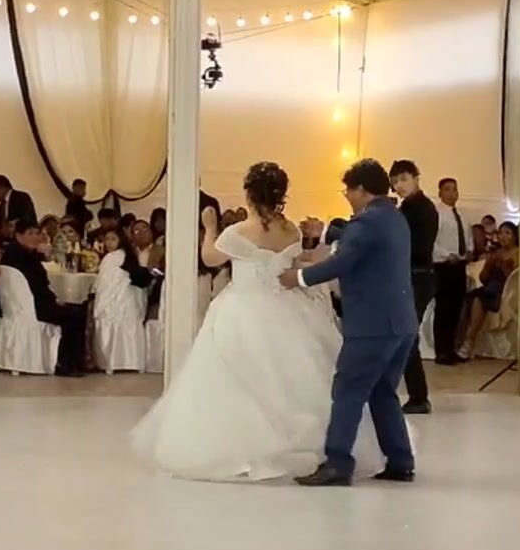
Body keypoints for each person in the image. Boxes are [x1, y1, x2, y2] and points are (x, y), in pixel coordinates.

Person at [131, 161, 383, 482]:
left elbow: (210, 258)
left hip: (242, 307)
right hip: (287, 308)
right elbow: (294, 261)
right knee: (291, 377)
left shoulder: (238, 232)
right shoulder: (290, 229)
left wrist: (209, 227)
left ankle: (245, 446)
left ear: (249, 194)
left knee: (237, 378)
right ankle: (301, 442)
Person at [280, 158, 417, 487]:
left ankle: (338, 463)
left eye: (348, 191)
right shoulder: (393, 217)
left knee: (348, 390)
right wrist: (328, 231)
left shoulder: (367, 222)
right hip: (400, 322)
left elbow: (343, 261)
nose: (347, 197)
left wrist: (298, 277)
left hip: (373, 324)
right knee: (383, 392)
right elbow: (359, 243)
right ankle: (400, 461)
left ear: (362, 190)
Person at [0, 218, 87, 376]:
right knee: (75, 314)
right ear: (18, 235)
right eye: (30, 233)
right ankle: (66, 363)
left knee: (75, 309)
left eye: (37, 233)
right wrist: (54, 300)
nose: (35, 237)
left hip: (22, 306)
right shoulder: (21, 257)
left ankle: (75, 361)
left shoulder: (17, 253)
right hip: (34, 306)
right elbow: (37, 286)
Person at [389, 160, 439, 415]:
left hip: (418, 277)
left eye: (403, 179)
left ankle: (419, 397)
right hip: (413, 277)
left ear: (416, 178)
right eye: (395, 181)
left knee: (406, 336)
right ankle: (416, 395)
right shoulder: (407, 208)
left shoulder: (422, 209)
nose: (399, 186)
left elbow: (418, 248)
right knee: (405, 336)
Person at [457, 221, 520, 359]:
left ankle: (468, 341)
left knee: (479, 299)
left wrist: (503, 265)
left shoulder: (518, 253)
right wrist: (489, 263)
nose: (503, 236)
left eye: (507, 233)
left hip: (504, 292)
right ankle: (460, 340)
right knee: (467, 298)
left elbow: (514, 279)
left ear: (515, 236)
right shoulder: (495, 253)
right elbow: (483, 278)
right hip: (489, 288)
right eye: (500, 233)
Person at [433, 177, 473, 365]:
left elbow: (468, 236)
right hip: (443, 266)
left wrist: (469, 250)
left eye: (454, 189)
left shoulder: (462, 215)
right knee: (444, 308)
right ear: (440, 192)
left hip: (460, 265)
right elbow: (432, 240)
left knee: (456, 308)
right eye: (447, 189)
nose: (452, 193)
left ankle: (451, 348)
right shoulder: (436, 213)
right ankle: (441, 350)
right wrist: (445, 255)